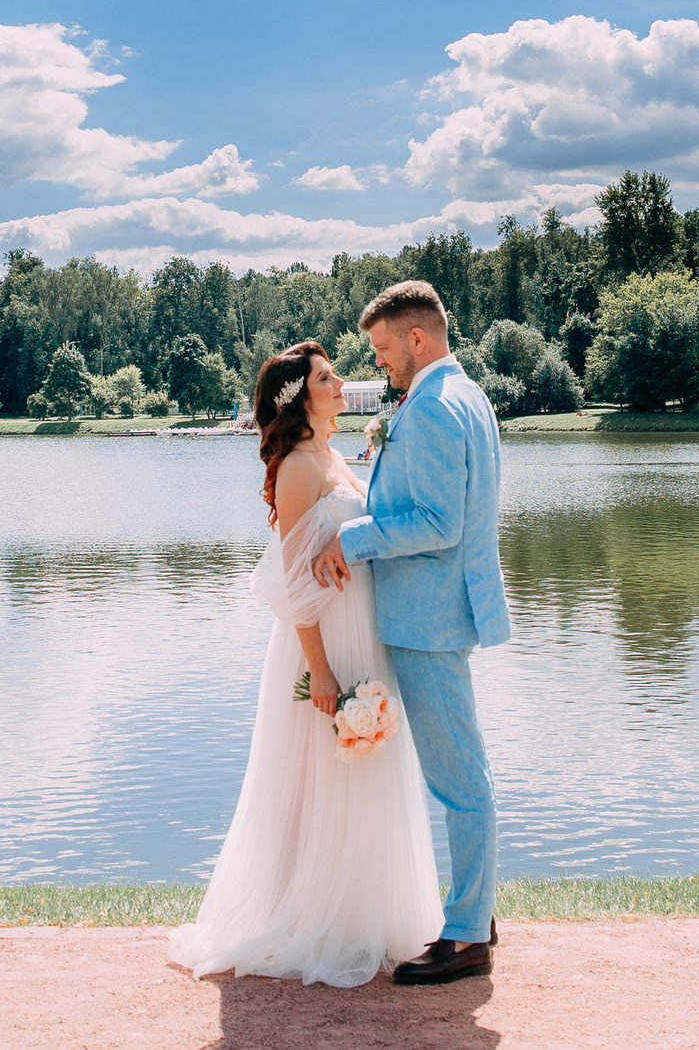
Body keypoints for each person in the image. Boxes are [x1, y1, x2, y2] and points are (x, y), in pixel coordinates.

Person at [167, 340, 443, 987]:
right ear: (300, 397)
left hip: (363, 629)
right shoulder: (296, 467)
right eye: (328, 376)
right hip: (321, 642)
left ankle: (366, 916)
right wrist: (319, 669)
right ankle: (318, 919)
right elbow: (293, 581)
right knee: (323, 779)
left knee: (363, 779)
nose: (343, 380)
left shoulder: (334, 454)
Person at [311, 280, 509, 986]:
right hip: (448, 607)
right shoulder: (467, 394)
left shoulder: (430, 408)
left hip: (428, 617)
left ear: (416, 339)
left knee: (458, 777)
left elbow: (437, 523)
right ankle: (476, 912)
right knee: (464, 767)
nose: (382, 362)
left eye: (385, 347)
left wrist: (354, 538)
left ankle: (465, 935)